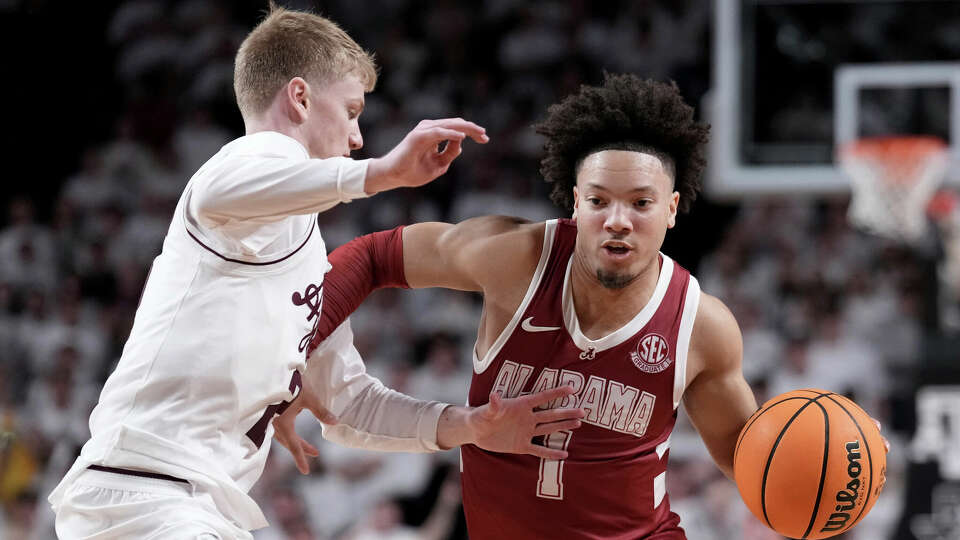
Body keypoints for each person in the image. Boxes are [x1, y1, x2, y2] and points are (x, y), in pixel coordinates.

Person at [46, 6, 583, 539]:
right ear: (300, 98)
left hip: (195, 508)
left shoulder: (302, 251)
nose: (356, 137)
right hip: (147, 497)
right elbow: (222, 191)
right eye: (351, 111)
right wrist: (377, 175)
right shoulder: (252, 158)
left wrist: (469, 425)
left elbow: (350, 404)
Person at [281, 73, 760, 538]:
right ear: (576, 203)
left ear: (671, 209)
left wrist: (826, 493)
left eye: (640, 203)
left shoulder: (701, 326)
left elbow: (754, 462)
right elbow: (373, 256)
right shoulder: (517, 259)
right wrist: (293, 364)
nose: (618, 220)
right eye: (599, 201)